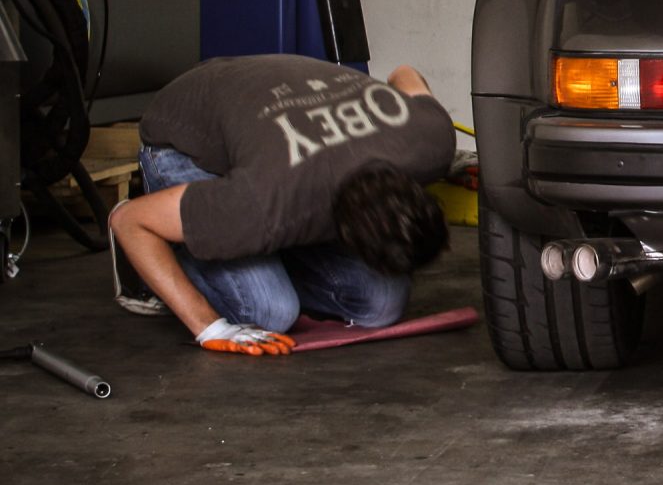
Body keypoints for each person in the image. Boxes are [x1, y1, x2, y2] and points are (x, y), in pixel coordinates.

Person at [108, 55, 455, 356]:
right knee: (268, 311)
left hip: (264, 113)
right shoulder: (261, 201)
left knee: (382, 304)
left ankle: (258, 251)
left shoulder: (430, 139)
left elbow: (403, 74)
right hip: (186, 135)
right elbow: (130, 221)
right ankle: (146, 264)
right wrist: (209, 328)